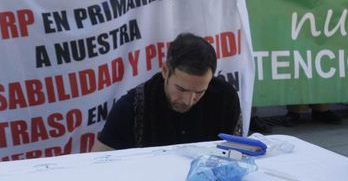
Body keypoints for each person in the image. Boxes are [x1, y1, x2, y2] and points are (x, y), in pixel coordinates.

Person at [94, 33, 242, 150]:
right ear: (165, 71)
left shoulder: (225, 98)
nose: (188, 101)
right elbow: (98, 162)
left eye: (199, 92)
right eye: (181, 89)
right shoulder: (132, 107)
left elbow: (237, 154)